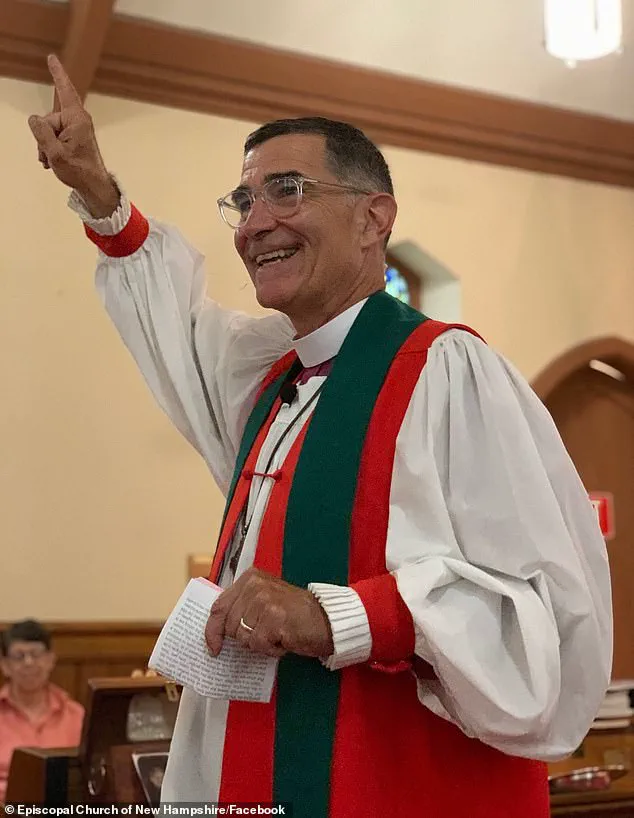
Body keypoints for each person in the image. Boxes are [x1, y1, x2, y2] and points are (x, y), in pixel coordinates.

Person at [27, 55, 612, 817]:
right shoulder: (273, 380)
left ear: (374, 218)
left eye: (287, 190)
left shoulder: (446, 374)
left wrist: (334, 616)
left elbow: (540, 623)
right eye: (244, 200)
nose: (254, 223)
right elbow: (178, 331)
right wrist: (98, 192)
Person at [0, 619, 84, 802]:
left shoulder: (76, 715)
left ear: (50, 660)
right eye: (19, 656)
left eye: (36, 654)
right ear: (5, 665)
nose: (28, 663)